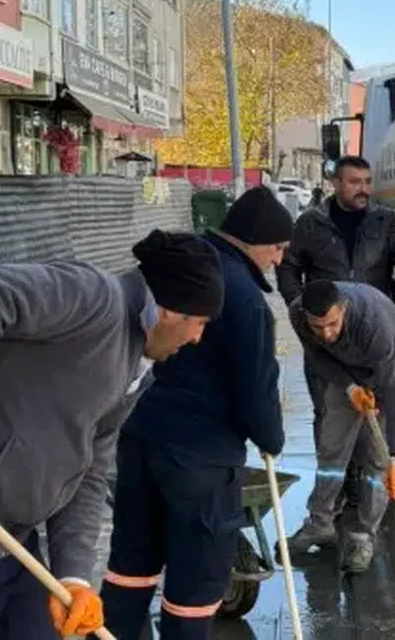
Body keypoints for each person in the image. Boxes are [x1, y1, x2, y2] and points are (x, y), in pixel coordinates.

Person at [0, 230, 225, 640]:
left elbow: (88, 469)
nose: (197, 338)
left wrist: (74, 576)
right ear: (169, 312)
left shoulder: (135, 366)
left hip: (9, 545)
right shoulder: (95, 299)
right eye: (200, 323)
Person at [100, 187, 293, 639]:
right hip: (200, 462)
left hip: (138, 439)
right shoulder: (245, 300)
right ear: (252, 240)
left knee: (130, 564)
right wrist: (272, 438)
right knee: (195, 587)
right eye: (278, 249)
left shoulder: (176, 270)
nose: (280, 261)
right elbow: (256, 394)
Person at [277, 155, 395, 509]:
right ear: (336, 183)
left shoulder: (383, 221)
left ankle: (367, 495)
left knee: (377, 422)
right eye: (354, 182)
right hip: (326, 335)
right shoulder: (311, 223)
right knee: (330, 417)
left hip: (371, 333)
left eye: (367, 182)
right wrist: (302, 306)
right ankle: (333, 500)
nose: (363, 189)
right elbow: (289, 268)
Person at [285, 280, 395, 573]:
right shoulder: (298, 313)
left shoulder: (373, 323)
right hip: (346, 370)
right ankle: (320, 523)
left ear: (343, 309)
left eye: (332, 324)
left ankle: (363, 535)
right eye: (318, 327)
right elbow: (318, 356)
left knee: (377, 458)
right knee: (331, 445)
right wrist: (348, 388)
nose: (327, 333)